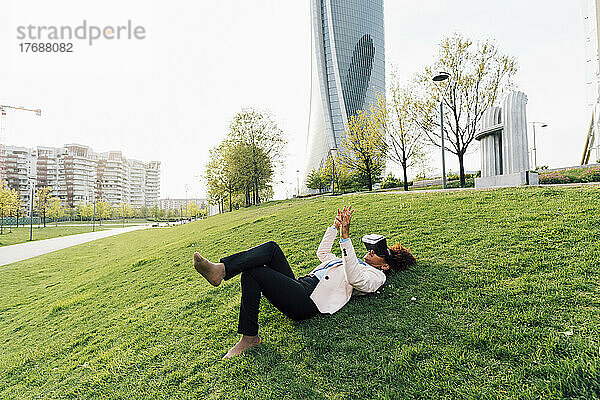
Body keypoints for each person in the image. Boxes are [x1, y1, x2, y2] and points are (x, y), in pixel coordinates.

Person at [193, 206, 416, 359]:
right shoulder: (352, 260)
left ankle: (249, 337)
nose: (369, 253)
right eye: (368, 249)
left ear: (385, 265)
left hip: (309, 302)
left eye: (375, 253)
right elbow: (322, 253)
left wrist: (346, 238)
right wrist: (335, 227)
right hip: (301, 285)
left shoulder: (376, 276)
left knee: (253, 274)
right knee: (271, 248)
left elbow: (356, 279)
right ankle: (221, 270)